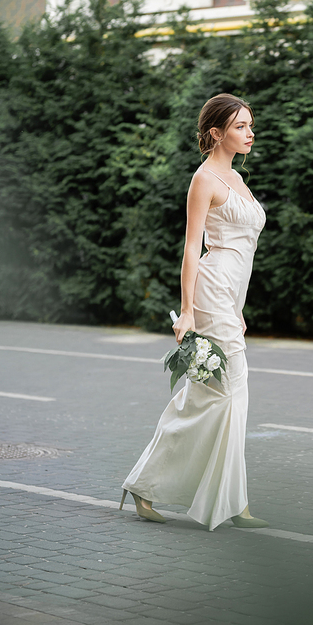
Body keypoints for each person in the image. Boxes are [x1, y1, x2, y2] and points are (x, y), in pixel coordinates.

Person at [119, 93, 268, 531]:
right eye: (241, 126)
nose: (250, 132)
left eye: (250, 124)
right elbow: (192, 248)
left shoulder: (238, 178)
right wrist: (186, 310)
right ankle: (229, 503)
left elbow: (245, 250)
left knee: (214, 395)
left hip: (229, 295)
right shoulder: (204, 179)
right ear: (217, 132)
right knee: (229, 391)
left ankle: (153, 487)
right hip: (211, 289)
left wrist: (238, 308)